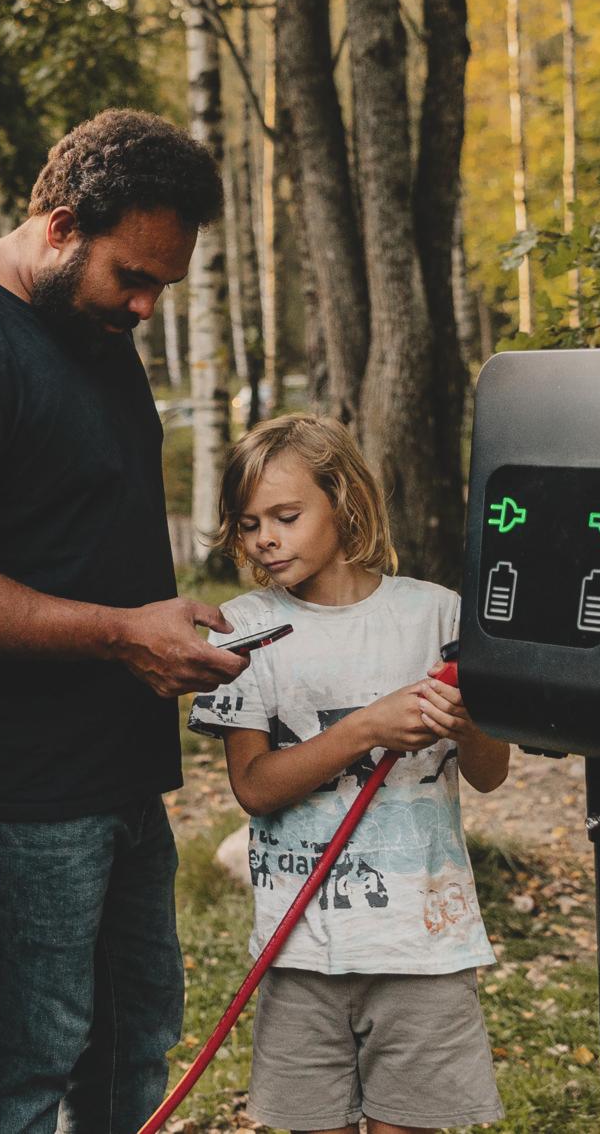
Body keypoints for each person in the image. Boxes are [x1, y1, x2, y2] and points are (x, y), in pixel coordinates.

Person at [0, 108, 245, 1134]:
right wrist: (123, 632)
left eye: (164, 285)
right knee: (18, 1070)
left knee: (130, 1047)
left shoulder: (90, 323)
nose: (145, 304)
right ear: (61, 221)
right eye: (133, 275)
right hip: (14, 785)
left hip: (116, 762)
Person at [189, 414, 510, 1134]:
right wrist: (366, 727)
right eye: (247, 524)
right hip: (300, 949)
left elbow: (490, 773)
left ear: (346, 503)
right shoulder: (242, 629)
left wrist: (470, 723)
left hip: (421, 946)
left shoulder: (435, 616)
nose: (264, 538)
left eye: (286, 516)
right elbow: (256, 787)